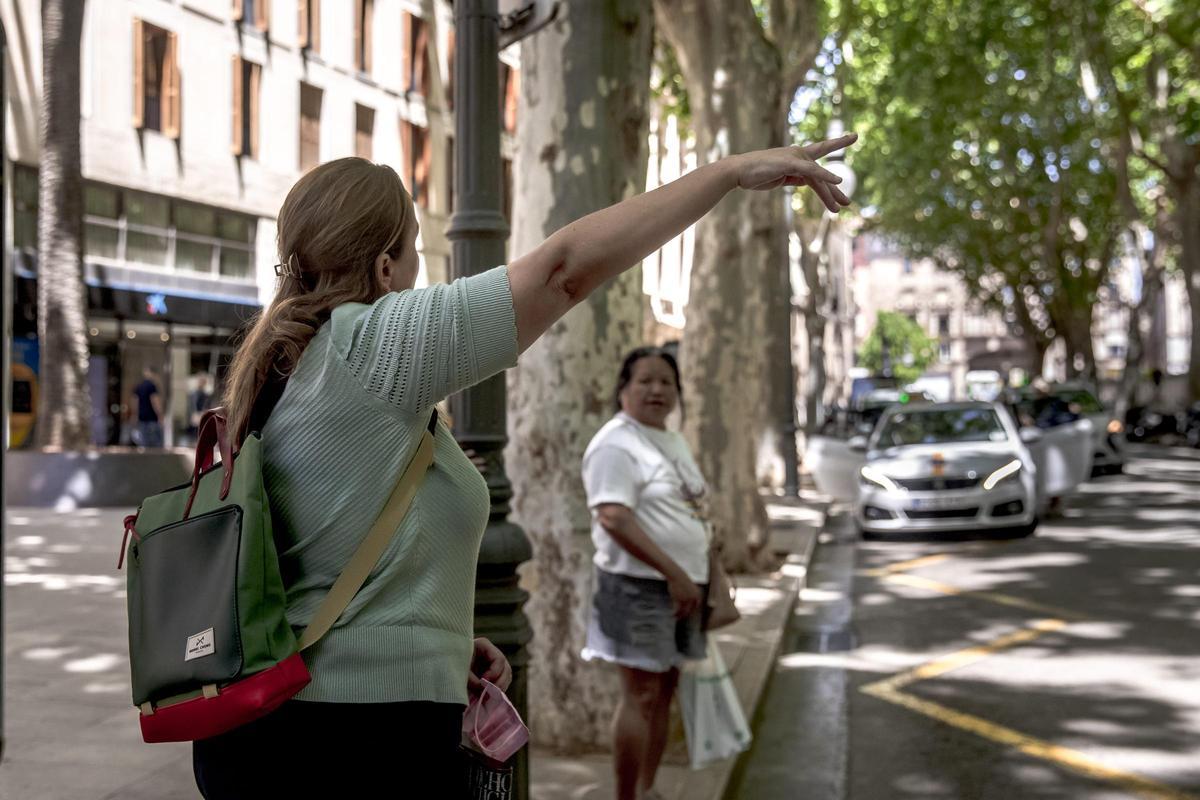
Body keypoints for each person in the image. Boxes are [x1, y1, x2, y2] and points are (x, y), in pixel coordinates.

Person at [195, 133, 855, 796]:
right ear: (384, 267)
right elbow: (563, 271)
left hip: (303, 724)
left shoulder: (284, 365)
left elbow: (327, 551)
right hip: (365, 738)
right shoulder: (368, 342)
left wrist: (444, 639)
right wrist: (731, 172)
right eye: (414, 245)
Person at [582, 347, 712, 800]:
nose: (657, 389)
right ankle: (625, 796)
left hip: (685, 587)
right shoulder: (616, 443)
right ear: (623, 390)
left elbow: (692, 509)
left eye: (667, 382)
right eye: (646, 381)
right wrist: (675, 573)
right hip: (637, 588)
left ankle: (648, 787)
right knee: (640, 696)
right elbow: (614, 517)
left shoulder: (671, 440)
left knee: (665, 693)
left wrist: (710, 568)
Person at [130, 367, 164, 448]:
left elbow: (134, 402)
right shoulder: (152, 386)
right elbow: (155, 401)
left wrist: (135, 415)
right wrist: (160, 415)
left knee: (143, 444)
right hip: (152, 418)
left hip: (141, 418)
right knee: (155, 445)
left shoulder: (139, 386)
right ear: (154, 374)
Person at [185, 373, 214, 442]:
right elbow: (192, 405)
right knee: (195, 432)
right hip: (195, 415)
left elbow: (207, 405)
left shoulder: (206, 395)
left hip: (201, 414)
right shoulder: (194, 394)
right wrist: (194, 414)